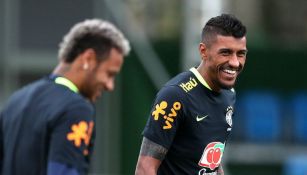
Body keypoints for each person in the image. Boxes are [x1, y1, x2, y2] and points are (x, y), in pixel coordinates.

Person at [0, 19, 130, 175]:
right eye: (110, 74)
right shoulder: (76, 108)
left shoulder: (17, 99)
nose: (110, 85)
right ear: (88, 59)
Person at [135, 14, 247, 175]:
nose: (235, 62)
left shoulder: (229, 95)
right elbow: (145, 169)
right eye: (226, 53)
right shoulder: (175, 96)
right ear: (203, 51)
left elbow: (212, 164)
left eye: (241, 54)